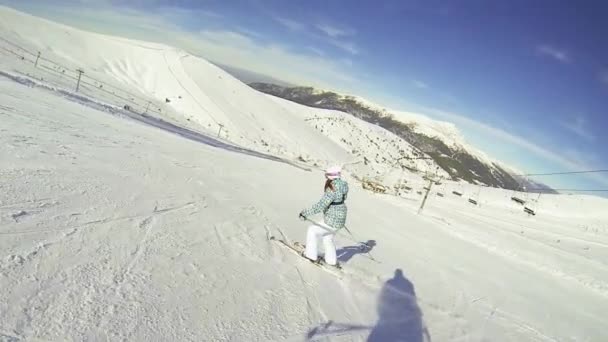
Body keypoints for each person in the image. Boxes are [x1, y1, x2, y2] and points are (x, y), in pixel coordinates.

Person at [299, 165, 349, 266]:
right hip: (340, 217)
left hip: (332, 218)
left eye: (326, 176)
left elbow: (321, 205)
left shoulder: (332, 188)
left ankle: (310, 255)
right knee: (328, 237)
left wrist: (305, 213)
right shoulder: (344, 185)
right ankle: (331, 261)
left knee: (312, 231)